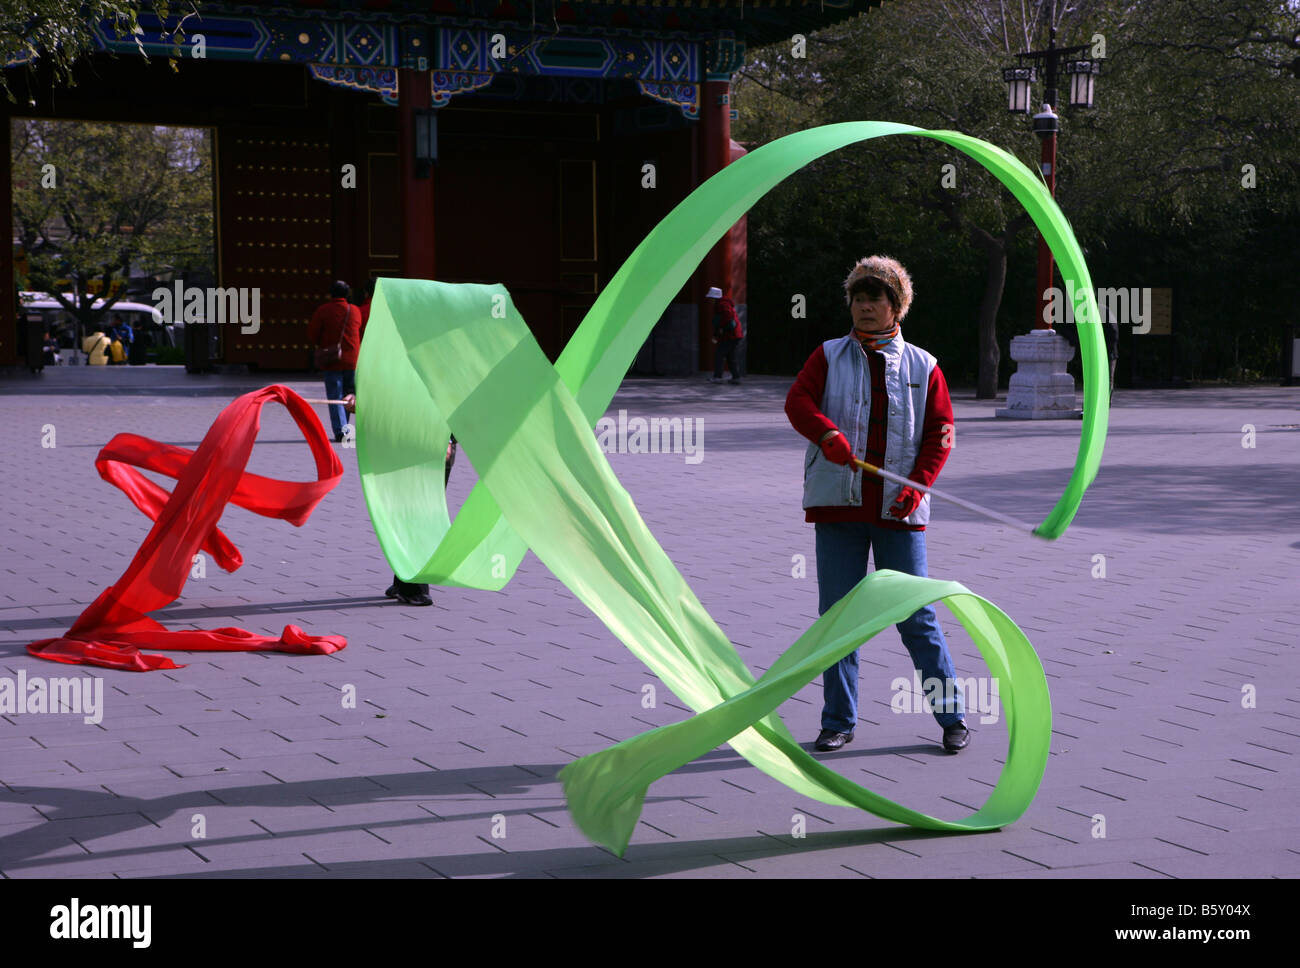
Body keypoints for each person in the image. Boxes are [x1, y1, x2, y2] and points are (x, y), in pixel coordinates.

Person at [785, 255, 970, 754]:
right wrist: (826, 434)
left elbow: (941, 434)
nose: (866, 307)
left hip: (899, 513)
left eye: (877, 299)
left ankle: (952, 716)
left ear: (898, 307)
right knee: (838, 618)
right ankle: (837, 721)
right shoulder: (827, 355)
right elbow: (798, 403)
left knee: (917, 618)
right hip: (838, 508)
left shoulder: (923, 365)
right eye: (859, 298)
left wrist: (919, 484)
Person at [343, 392, 455, 607]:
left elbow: (455, 393)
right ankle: (407, 582)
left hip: (434, 444)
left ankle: (411, 584)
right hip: (401, 441)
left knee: (422, 516)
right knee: (406, 514)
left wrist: (447, 438)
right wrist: (358, 396)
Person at [307, 281, 362, 442]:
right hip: (352, 359)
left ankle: (341, 430)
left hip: (332, 360)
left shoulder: (324, 310)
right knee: (348, 395)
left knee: (335, 395)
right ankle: (344, 427)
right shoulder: (355, 311)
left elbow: (313, 334)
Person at [709, 288, 744, 384]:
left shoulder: (722, 305)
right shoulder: (724, 304)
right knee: (730, 356)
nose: (710, 300)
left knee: (719, 355)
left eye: (711, 297)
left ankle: (718, 377)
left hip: (730, 335)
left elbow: (726, 318)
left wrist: (721, 330)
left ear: (715, 297)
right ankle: (736, 377)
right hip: (735, 335)